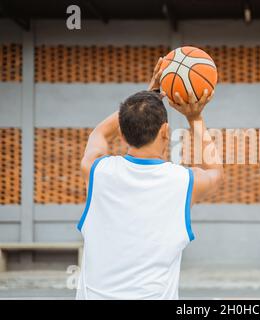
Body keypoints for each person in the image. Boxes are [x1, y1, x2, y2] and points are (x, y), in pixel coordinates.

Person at [76, 58, 223, 299]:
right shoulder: (183, 182)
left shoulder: (97, 172)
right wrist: (195, 117)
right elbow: (216, 172)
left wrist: (150, 94)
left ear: (122, 134)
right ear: (166, 131)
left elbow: (100, 132)